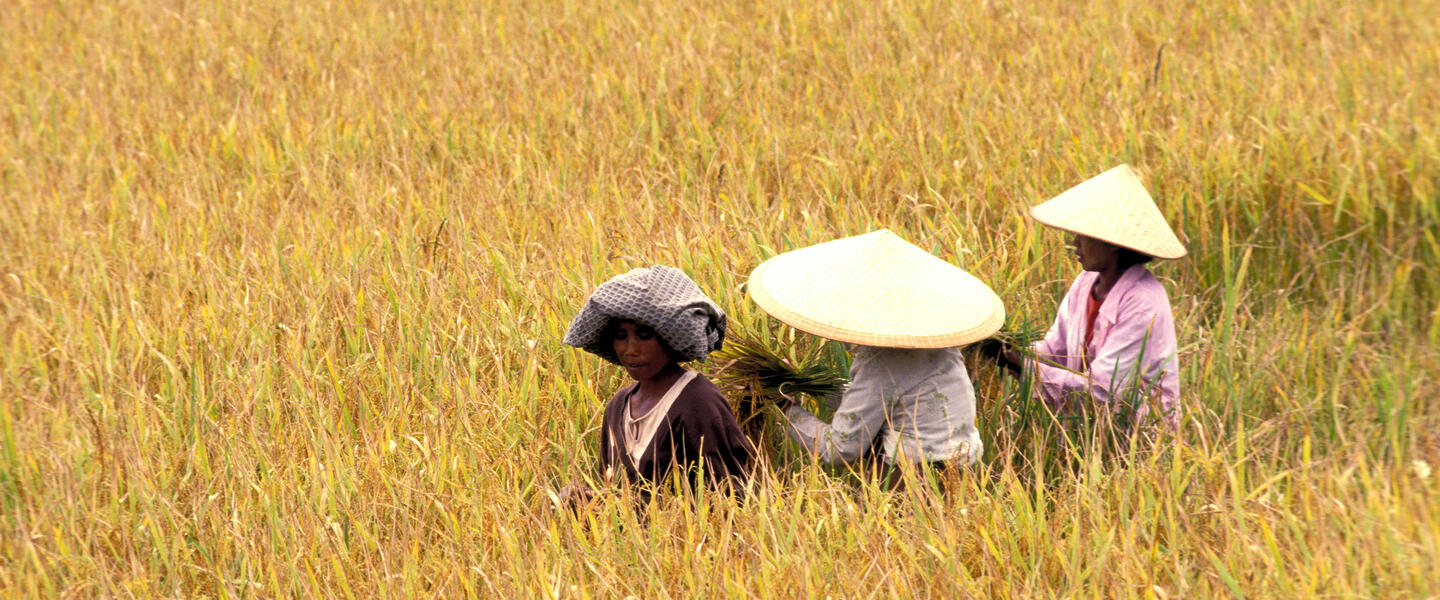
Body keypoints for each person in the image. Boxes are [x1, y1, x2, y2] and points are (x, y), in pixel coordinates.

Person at [745, 230, 1005, 487]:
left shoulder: (882, 362)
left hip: (915, 483)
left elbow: (840, 450)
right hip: (965, 476)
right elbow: (885, 398)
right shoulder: (938, 343)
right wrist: (807, 384)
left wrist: (786, 407)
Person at [989, 165, 1184, 430]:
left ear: (1113, 241)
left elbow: (1104, 392)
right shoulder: (1086, 283)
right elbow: (1055, 351)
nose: (1075, 243)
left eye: (1084, 235)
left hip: (1137, 439)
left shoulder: (1142, 303)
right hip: (1087, 433)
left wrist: (1025, 366)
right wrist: (1009, 351)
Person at [559, 265, 751, 507]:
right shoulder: (618, 406)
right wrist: (589, 500)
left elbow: (728, 501)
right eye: (620, 336)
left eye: (644, 335)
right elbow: (613, 490)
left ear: (671, 337)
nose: (630, 349)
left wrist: (626, 506)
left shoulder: (699, 402)